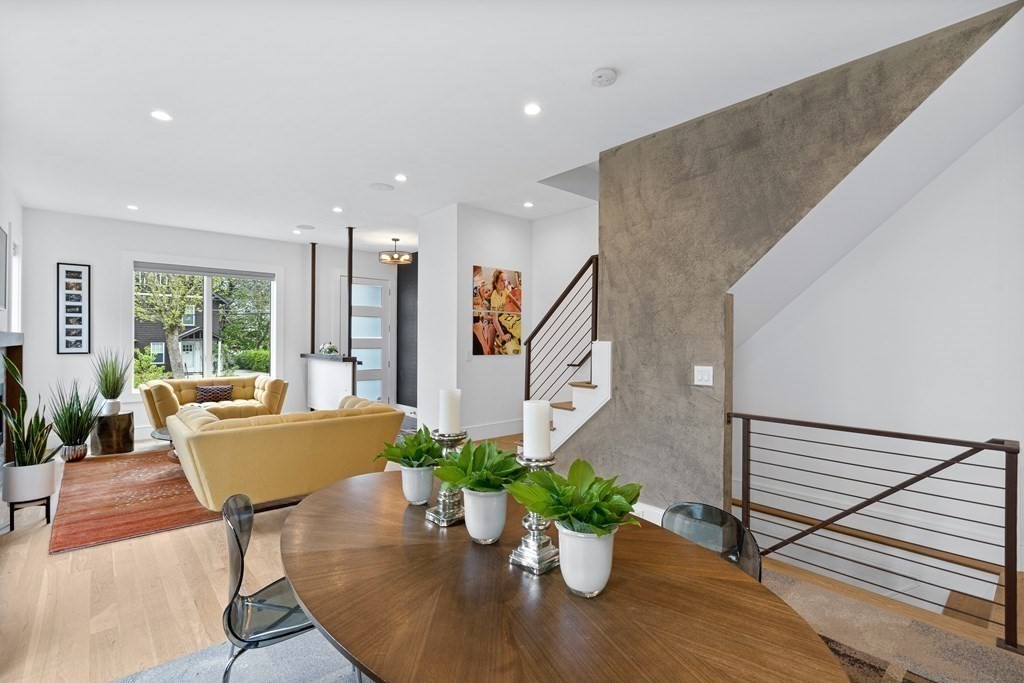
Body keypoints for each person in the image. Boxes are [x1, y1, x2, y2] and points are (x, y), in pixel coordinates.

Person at [488, 269, 522, 354]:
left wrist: (522, 310)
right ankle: (497, 345)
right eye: (502, 280)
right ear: (496, 283)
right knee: (504, 334)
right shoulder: (494, 297)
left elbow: (514, 301)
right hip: (497, 319)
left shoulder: (505, 290)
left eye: (505, 280)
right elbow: (495, 320)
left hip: (503, 315)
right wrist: (502, 335)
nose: (505, 282)